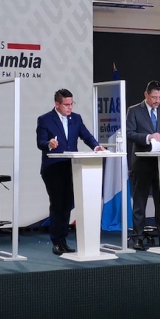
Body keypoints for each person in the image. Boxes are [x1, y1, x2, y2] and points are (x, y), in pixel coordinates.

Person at [36, 88, 105, 256]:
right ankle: (56, 241)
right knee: (57, 204)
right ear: (57, 104)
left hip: (71, 166)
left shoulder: (76, 119)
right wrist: (49, 144)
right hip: (53, 167)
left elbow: (86, 136)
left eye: (71, 104)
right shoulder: (45, 119)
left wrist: (96, 146)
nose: (70, 108)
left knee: (67, 204)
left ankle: (64, 240)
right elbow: (41, 142)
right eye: (66, 105)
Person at [125, 80, 160, 249]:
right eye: (154, 97)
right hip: (142, 163)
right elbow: (129, 133)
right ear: (146, 95)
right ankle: (138, 237)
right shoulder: (134, 111)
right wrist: (148, 137)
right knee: (140, 203)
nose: (157, 101)